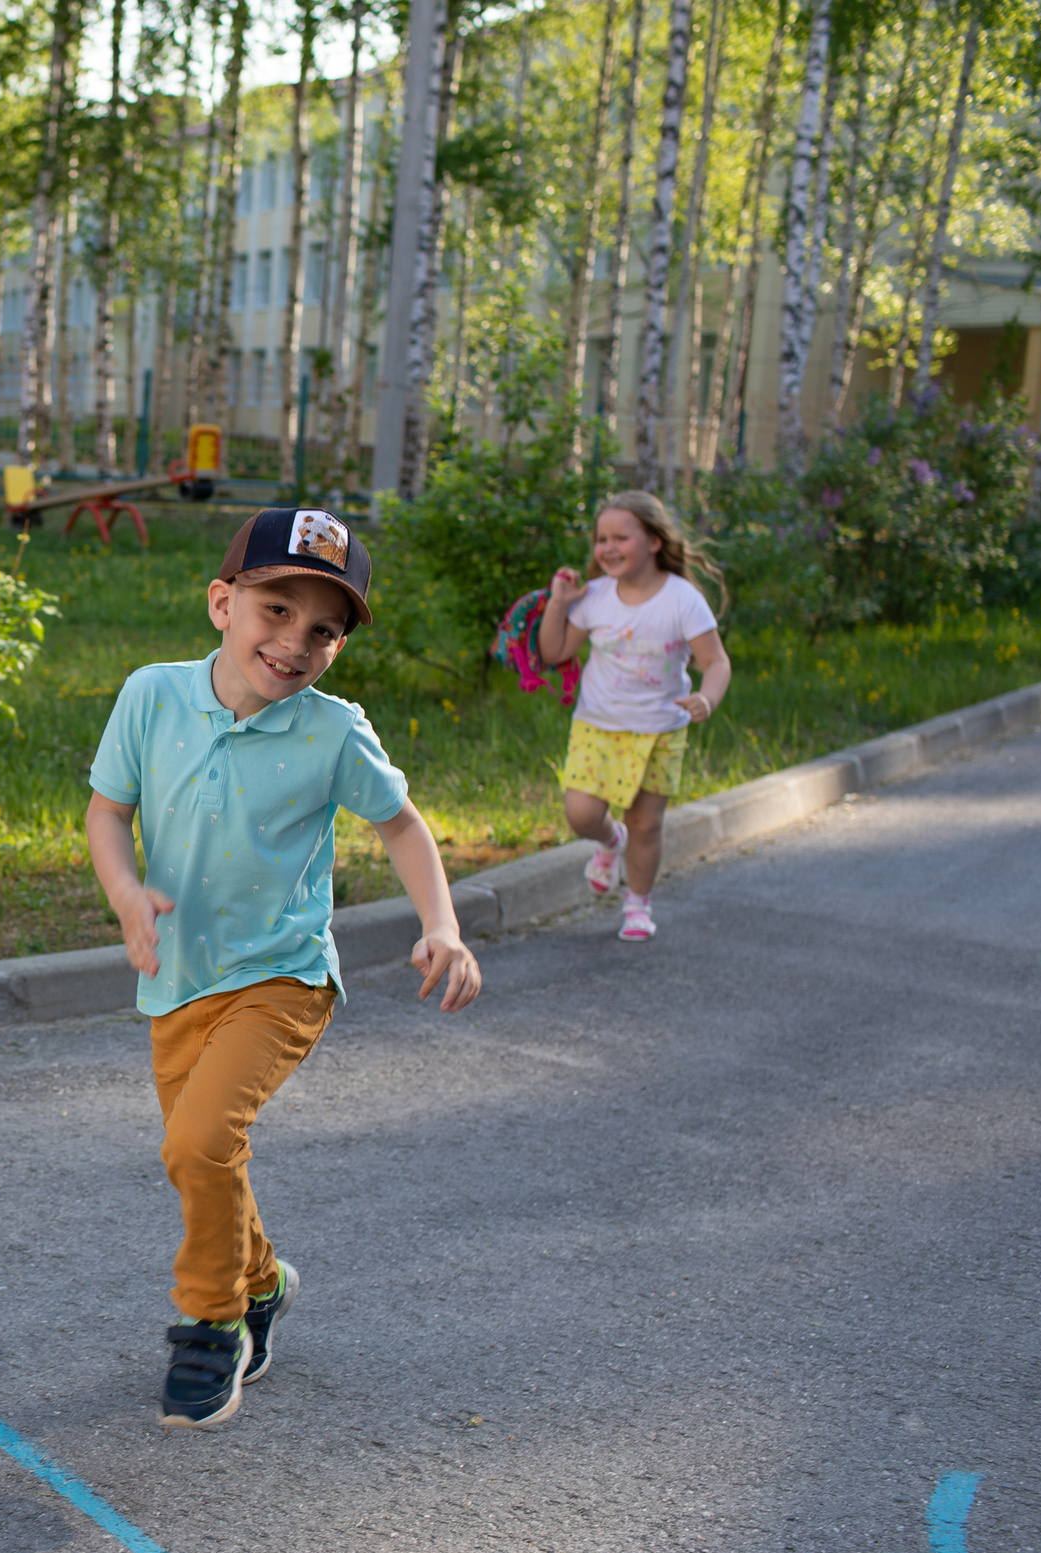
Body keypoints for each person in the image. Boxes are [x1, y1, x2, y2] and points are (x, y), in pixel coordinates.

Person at [85, 508, 483, 1430]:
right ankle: (260, 1281)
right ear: (223, 603)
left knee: (195, 1142)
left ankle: (210, 1325)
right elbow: (109, 810)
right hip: (178, 973)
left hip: (283, 976)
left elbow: (400, 824)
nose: (294, 642)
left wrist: (442, 924)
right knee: (205, 1158)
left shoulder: (333, 733)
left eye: (323, 630)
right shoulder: (151, 696)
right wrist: (126, 893)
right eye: (275, 609)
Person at [534, 491, 732, 943]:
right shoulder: (597, 597)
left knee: (646, 821)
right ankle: (610, 842)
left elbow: (716, 662)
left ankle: (638, 903)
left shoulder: (683, 600)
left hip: (659, 731)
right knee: (581, 814)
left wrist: (708, 697)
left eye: (621, 537)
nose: (607, 547)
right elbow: (554, 651)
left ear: (655, 542)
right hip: (597, 726)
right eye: (601, 538)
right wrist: (560, 603)